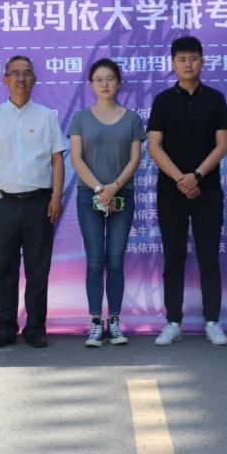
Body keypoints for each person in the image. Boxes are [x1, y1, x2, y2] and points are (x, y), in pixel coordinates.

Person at [147, 36, 227, 346]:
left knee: (209, 258)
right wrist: (181, 180)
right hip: (171, 192)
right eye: (182, 59)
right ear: (173, 63)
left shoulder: (216, 99)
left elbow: (223, 144)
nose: (188, 64)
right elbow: (154, 147)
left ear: (202, 61)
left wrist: (196, 176)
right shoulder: (162, 101)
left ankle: (213, 321)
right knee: (174, 259)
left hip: (207, 190)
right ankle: (173, 322)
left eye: (193, 58)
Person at [0, 55, 66, 349]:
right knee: (5, 269)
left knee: (38, 270)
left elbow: (57, 159)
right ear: (5, 79)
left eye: (27, 73)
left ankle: (35, 328)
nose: (21, 78)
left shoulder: (46, 117)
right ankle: (5, 328)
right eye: (15, 73)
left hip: (39, 204)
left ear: (34, 80)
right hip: (3, 204)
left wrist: (56, 197)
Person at [69, 59, 145, 347]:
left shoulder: (132, 118)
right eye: (99, 79)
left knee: (115, 260)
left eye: (110, 78)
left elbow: (135, 159)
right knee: (95, 261)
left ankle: (114, 321)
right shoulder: (80, 118)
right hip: (90, 195)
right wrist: (100, 189)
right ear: (91, 85)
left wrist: (114, 187)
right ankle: (94, 322)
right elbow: (76, 159)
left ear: (119, 83)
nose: (104, 84)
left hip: (122, 194)